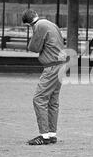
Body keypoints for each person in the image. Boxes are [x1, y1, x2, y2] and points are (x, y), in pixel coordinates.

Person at [22, 10, 67, 146]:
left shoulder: (39, 26)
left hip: (52, 66)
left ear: (28, 23)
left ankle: (44, 136)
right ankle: (51, 135)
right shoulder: (50, 23)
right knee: (52, 101)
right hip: (61, 65)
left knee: (39, 99)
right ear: (36, 15)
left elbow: (34, 47)